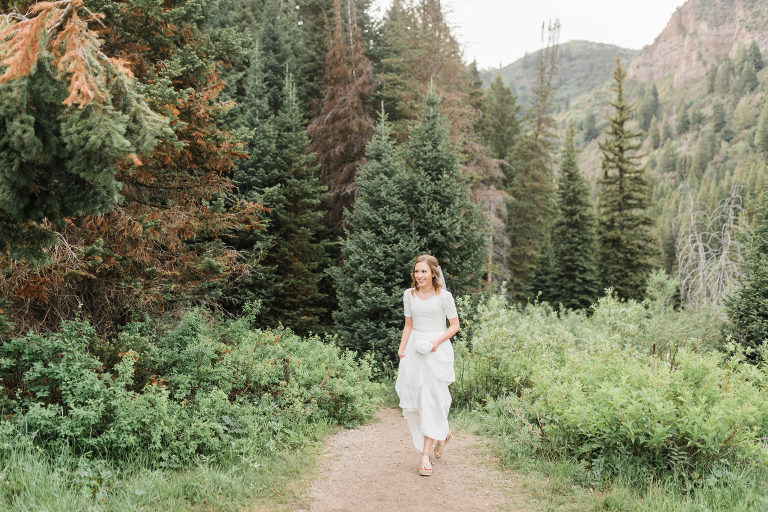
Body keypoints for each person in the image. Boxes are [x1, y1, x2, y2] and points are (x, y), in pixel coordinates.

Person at [395, 254, 460, 476]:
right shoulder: (409, 295)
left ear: (433, 273)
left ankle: (425, 456)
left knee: (433, 399)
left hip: (436, 350)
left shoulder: (444, 297)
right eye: (416, 271)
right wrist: (402, 349)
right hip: (415, 350)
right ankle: (443, 434)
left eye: (423, 271)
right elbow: (408, 325)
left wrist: (436, 342)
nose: (419, 275)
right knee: (418, 400)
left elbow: (454, 326)